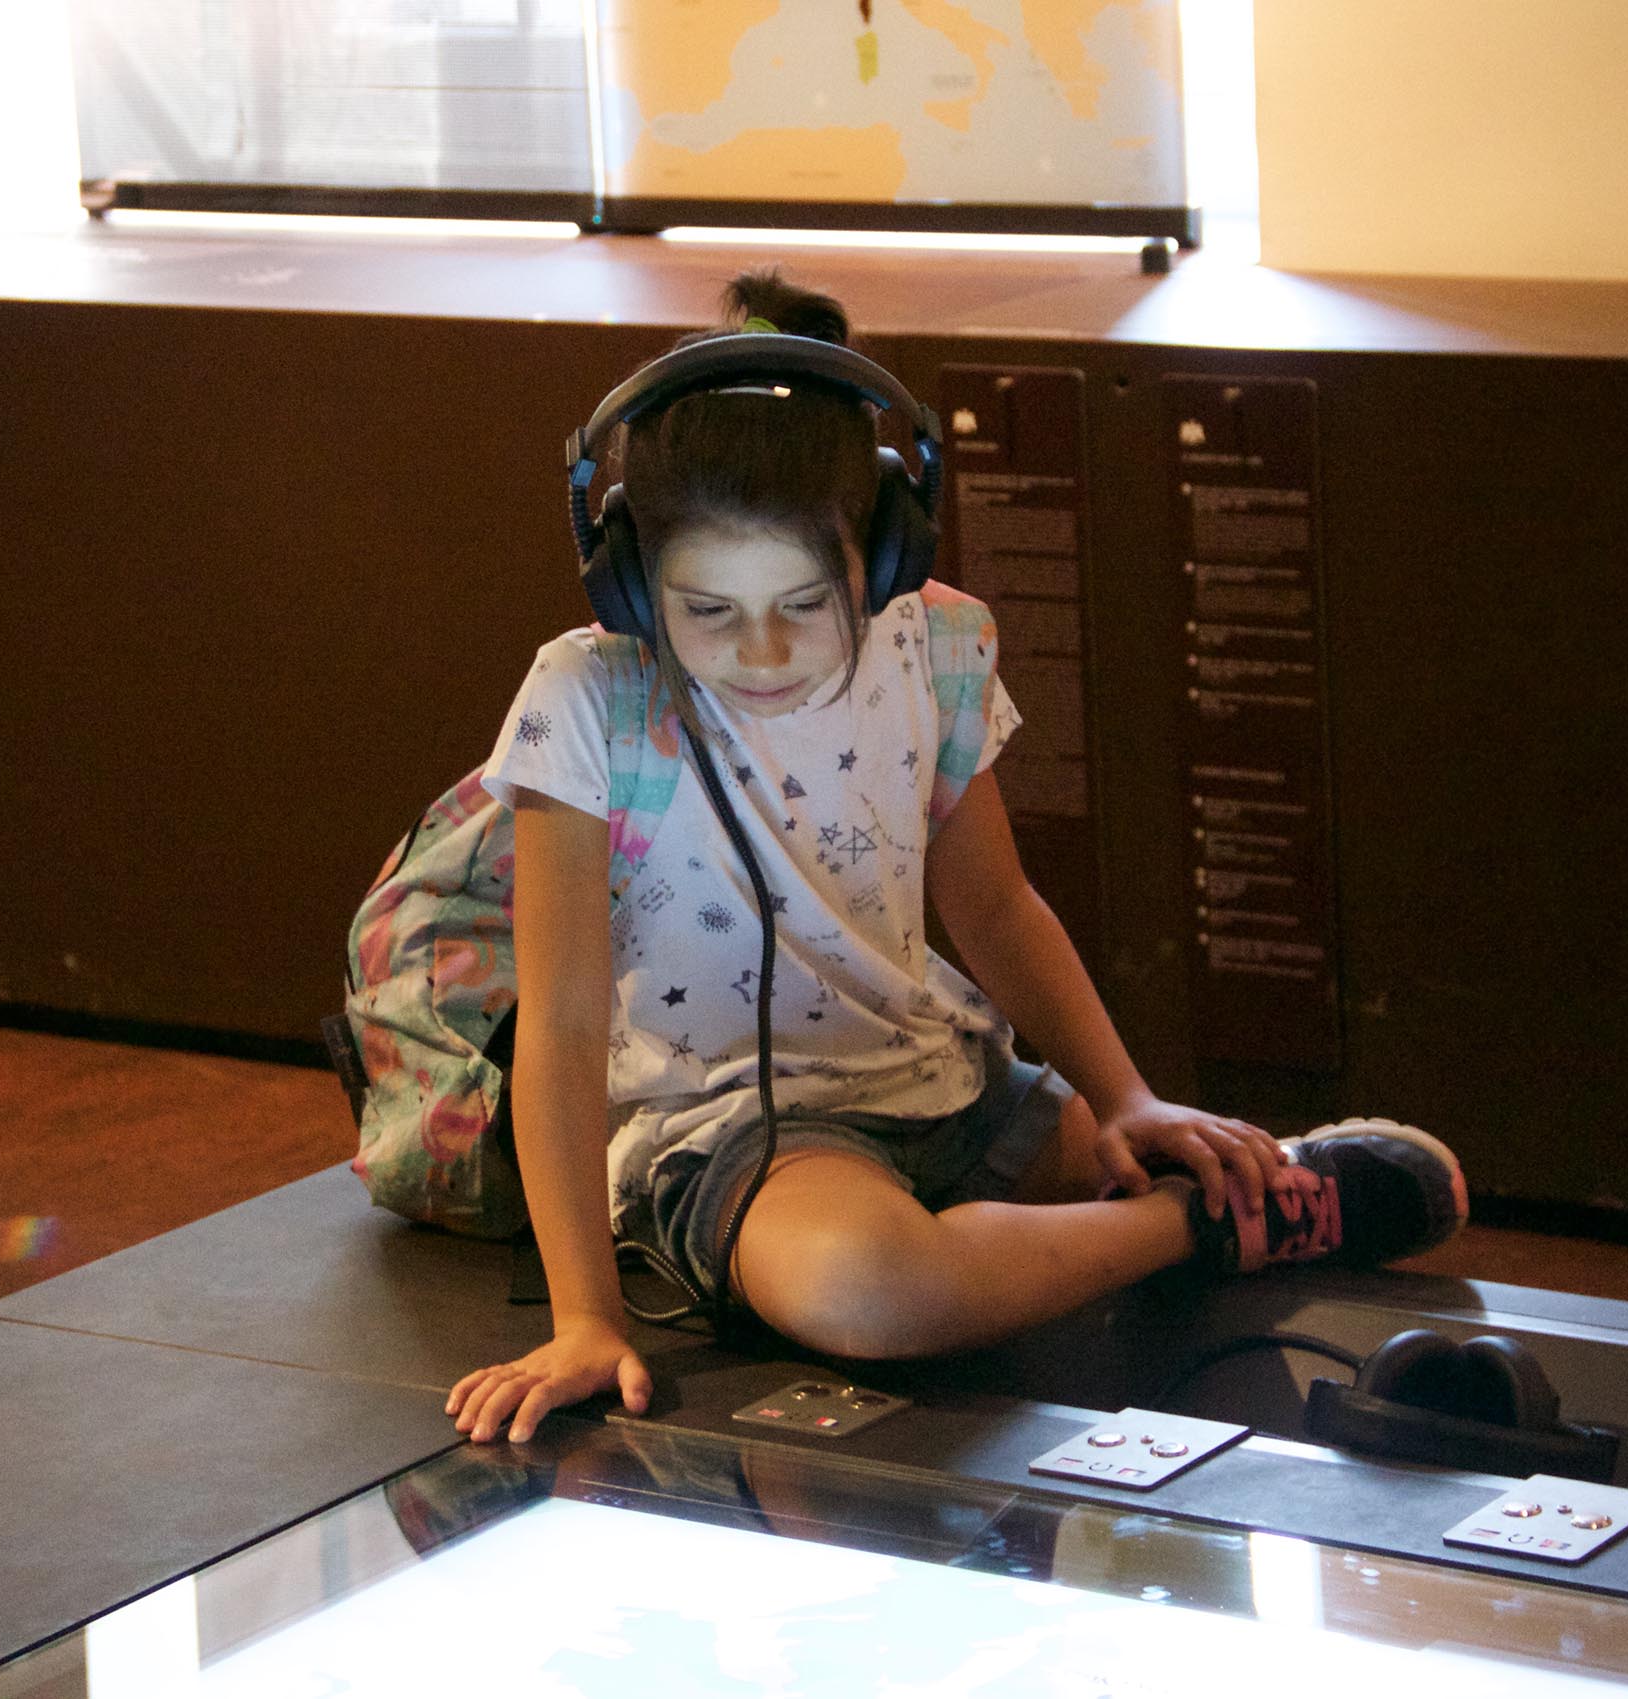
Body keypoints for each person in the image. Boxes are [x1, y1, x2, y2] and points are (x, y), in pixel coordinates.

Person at [447, 271, 1466, 1446]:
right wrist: (587, 1315)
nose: (763, 650)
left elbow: (992, 902)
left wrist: (1121, 1094)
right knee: (866, 1289)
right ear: (629, 581)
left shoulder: (938, 641)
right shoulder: (585, 698)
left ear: (878, 551)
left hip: (941, 1074)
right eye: (708, 611)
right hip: (731, 1127)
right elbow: (565, 1023)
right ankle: (1208, 1225)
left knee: (1139, 1163)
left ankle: (1235, 1186)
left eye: (805, 600)